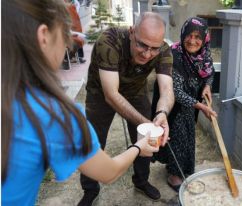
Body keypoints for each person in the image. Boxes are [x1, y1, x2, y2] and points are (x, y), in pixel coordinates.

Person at [1, 1, 158, 205]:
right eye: (65, 33)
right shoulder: (53, 115)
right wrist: (139, 146)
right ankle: (90, 191)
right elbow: (109, 172)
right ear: (43, 36)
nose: (69, 44)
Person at [79, 12, 174, 204]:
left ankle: (141, 181)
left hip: (135, 91)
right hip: (101, 93)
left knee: (145, 140)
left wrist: (162, 113)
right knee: (93, 141)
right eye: (141, 45)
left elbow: (166, 89)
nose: (147, 54)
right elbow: (111, 95)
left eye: (153, 49)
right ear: (132, 32)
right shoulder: (109, 41)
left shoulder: (163, 49)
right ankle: (90, 189)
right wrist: (147, 123)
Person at [152, 17, 217, 192]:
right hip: (173, 105)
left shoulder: (204, 54)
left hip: (191, 106)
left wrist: (207, 86)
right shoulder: (174, 55)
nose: (193, 41)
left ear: (204, 39)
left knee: (188, 136)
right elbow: (177, 92)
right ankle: (174, 175)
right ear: (183, 34)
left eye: (198, 37)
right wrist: (202, 106)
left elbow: (209, 73)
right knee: (178, 137)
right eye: (189, 35)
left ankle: (182, 169)